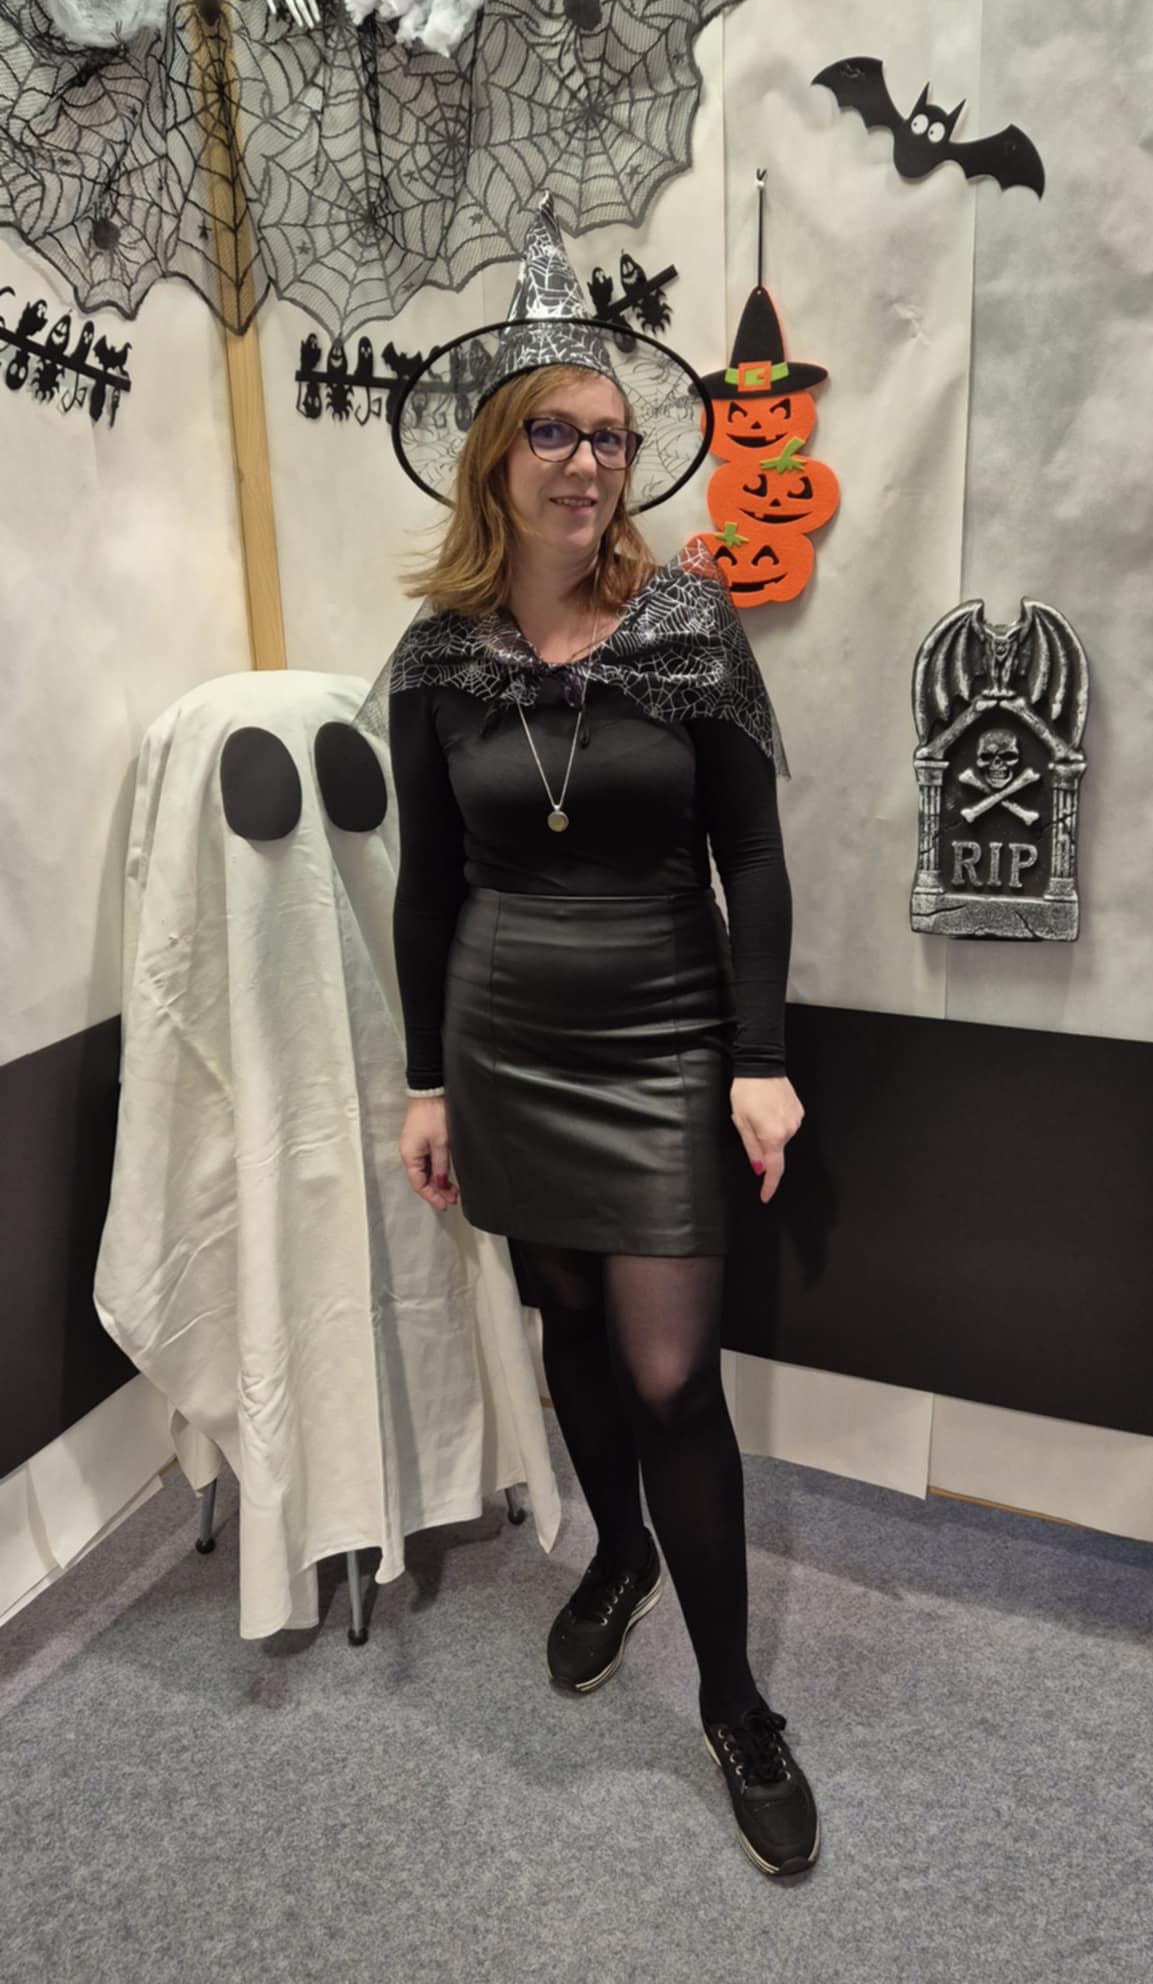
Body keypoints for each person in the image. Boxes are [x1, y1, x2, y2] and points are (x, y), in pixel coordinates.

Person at [361, 196, 819, 1879]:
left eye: (612, 438)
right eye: (554, 432)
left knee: (670, 1373)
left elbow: (750, 857)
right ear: (493, 455)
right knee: (563, 1313)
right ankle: (613, 1555)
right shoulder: (435, 658)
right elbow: (426, 885)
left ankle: (734, 1703)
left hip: (667, 1032)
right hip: (502, 1038)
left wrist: (758, 1056)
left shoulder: (690, 629)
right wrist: (424, 1080)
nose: (588, 463)